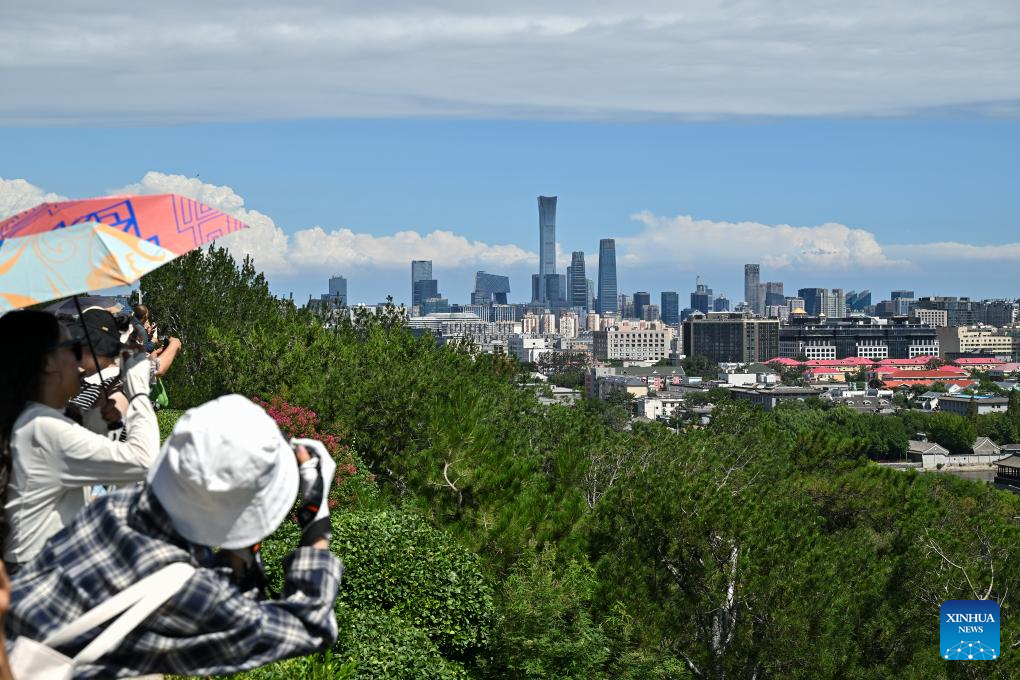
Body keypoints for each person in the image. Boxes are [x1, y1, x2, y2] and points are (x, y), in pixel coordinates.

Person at [4, 395, 342, 678]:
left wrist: (238, 526)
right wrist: (316, 517)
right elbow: (309, 624)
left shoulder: (113, 508)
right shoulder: (189, 594)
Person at [0, 310, 160, 571]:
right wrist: (139, 391)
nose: (79, 359)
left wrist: (98, 420)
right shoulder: (43, 427)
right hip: (38, 576)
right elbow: (143, 460)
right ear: (47, 363)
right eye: (72, 348)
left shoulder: (33, 418)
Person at [132, 304, 181, 378]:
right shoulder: (141, 329)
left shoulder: (131, 323)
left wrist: (148, 336)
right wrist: (153, 341)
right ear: (145, 316)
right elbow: (145, 348)